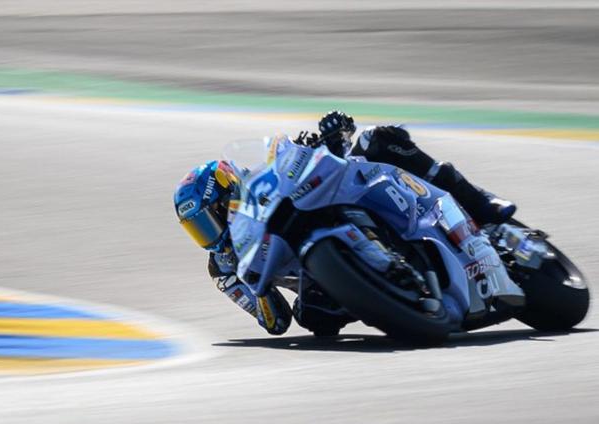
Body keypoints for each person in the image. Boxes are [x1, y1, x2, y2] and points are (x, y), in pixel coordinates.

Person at [173, 111, 516, 337]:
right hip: (320, 277)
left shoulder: (262, 177)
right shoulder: (223, 268)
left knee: (380, 139)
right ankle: (389, 295)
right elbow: (274, 322)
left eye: (209, 219)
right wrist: (256, 291)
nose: (209, 234)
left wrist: (329, 138)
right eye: (197, 228)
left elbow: (299, 159)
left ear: (228, 193)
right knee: (313, 318)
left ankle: (478, 202)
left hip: (335, 199)